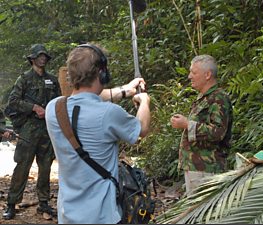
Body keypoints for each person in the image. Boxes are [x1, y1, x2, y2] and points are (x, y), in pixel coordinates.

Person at [45, 44, 151, 224]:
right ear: (102, 74)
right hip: (102, 215)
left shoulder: (54, 108)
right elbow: (141, 128)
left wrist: (125, 90)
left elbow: (84, 99)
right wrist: (144, 102)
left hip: (68, 213)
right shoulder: (109, 113)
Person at [2, 44, 61, 220]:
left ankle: (44, 203)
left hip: (47, 129)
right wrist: (34, 107)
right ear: (33, 59)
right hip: (29, 128)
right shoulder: (24, 79)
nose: (43, 58)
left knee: (45, 167)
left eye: (45, 56)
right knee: (22, 166)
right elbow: (13, 101)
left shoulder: (52, 80)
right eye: (39, 56)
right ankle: (12, 204)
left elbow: (58, 101)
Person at [170, 54, 233, 194]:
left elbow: (218, 132)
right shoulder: (204, 98)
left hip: (208, 170)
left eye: (194, 72)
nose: (189, 76)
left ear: (207, 75)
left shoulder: (219, 98)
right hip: (197, 169)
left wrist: (187, 124)